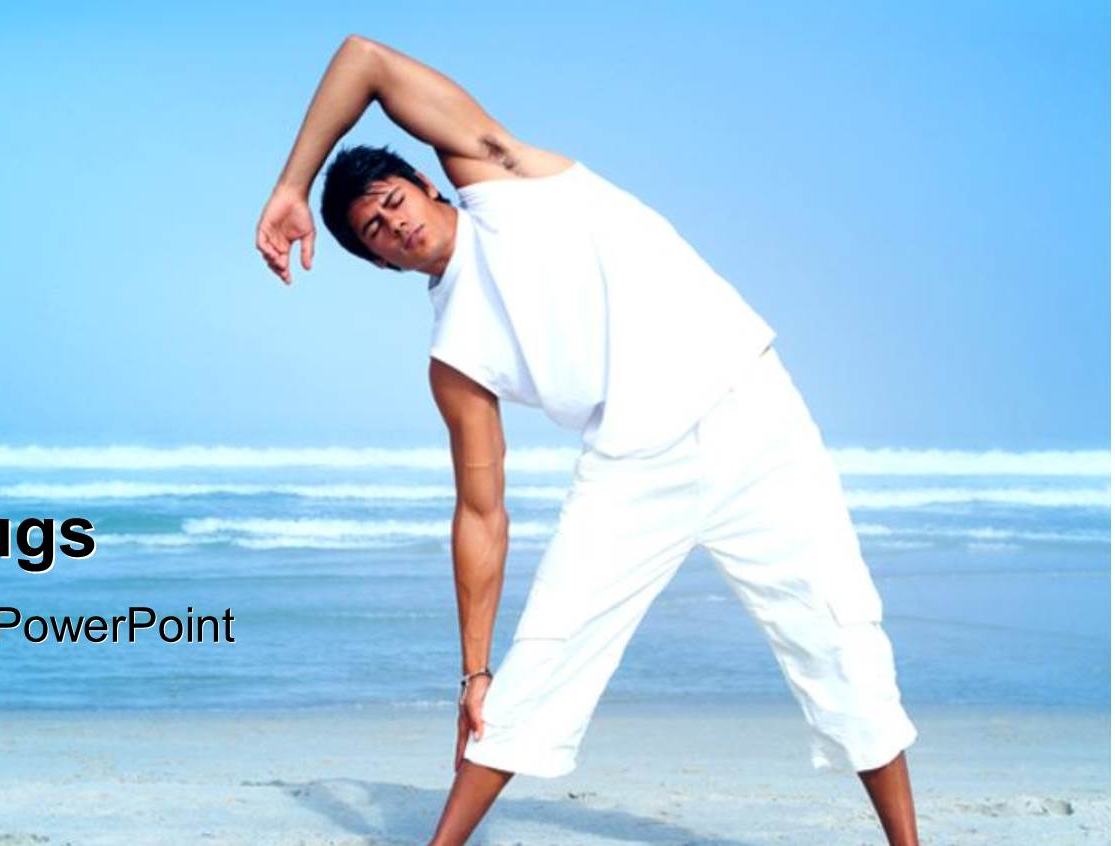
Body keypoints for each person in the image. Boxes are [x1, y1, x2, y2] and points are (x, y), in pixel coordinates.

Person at [255, 34, 922, 846]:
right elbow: (481, 514)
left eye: (393, 202)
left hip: (751, 414)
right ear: (379, 263)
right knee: (542, 661)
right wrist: (473, 671)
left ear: (427, 185)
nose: (393, 225)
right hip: (633, 465)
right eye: (373, 232)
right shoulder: (453, 358)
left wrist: (291, 187)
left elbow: (365, 59)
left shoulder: (503, 181)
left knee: (839, 638)